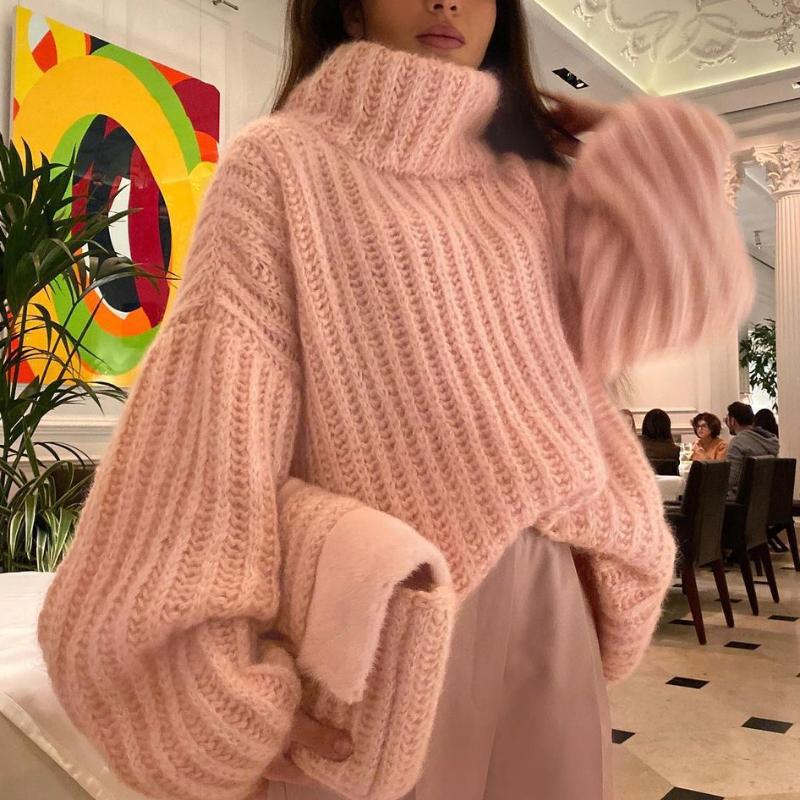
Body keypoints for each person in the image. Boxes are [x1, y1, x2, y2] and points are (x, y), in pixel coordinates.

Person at [35, 2, 756, 800]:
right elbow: (215, 429)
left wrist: (644, 152)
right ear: (350, 6)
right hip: (390, 614)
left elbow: (676, 302)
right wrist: (209, 675)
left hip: (554, 594)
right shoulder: (283, 164)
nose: (446, 1)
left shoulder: (523, 187)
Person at [725, 401, 780, 499]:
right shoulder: (771, 440)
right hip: (765, 498)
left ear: (732, 420)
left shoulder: (738, 442)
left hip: (740, 500)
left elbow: (729, 480)